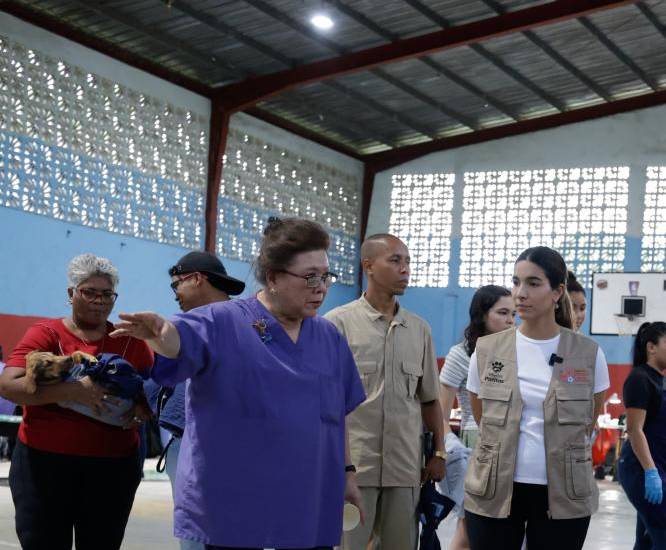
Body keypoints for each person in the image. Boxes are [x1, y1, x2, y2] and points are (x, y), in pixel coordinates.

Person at [110, 217, 366, 550]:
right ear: (273, 277)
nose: (321, 287)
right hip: (235, 503)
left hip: (306, 499)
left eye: (326, 276)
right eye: (310, 276)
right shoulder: (223, 320)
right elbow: (179, 339)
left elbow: (336, 414)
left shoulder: (329, 338)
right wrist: (161, 336)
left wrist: (347, 474)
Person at [0, 253, 154, 550]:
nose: (99, 301)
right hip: (44, 467)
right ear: (71, 294)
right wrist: (72, 391)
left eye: (107, 294)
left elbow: (153, 386)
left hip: (112, 469)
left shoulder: (129, 340)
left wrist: (142, 407)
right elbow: (8, 386)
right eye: (89, 292)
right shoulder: (46, 334)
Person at [464, 246, 609, 550]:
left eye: (533, 283)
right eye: (516, 282)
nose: (520, 293)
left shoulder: (588, 354)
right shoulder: (487, 350)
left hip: (564, 492)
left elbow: (588, 420)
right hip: (495, 488)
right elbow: (481, 415)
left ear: (557, 292)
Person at [325, 233, 446, 550]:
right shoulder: (337, 325)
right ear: (369, 266)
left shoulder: (419, 330)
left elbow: (430, 399)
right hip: (354, 468)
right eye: (395, 260)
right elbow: (324, 404)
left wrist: (439, 453)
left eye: (408, 262)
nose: (405, 269)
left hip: (405, 469)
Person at [145, 250, 245, 550]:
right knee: (195, 533)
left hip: (228, 443)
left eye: (177, 284)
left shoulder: (245, 325)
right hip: (186, 437)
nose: (175, 293)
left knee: (216, 530)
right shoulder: (186, 327)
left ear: (197, 278)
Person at [439, 285, 515, 550]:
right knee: (468, 527)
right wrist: (449, 449)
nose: (510, 320)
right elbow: (440, 412)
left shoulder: (516, 352)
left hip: (511, 447)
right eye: (503, 312)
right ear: (482, 314)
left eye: (513, 314)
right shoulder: (461, 354)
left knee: (503, 530)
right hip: (474, 446)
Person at [618, 322, 666, 549]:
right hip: (641, 469)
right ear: (651, 347)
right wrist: (651, 472)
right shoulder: (640, 379)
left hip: (659, 467)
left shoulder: (659, 380)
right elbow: (635, 430)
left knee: (646, 540)